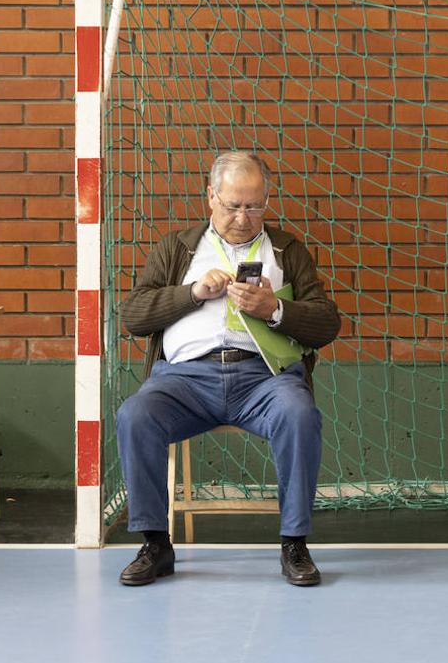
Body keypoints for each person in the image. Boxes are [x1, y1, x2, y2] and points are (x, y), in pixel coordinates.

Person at [115, 151, 341, 587]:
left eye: (254, 205)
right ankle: (155, 543)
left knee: (299, 414)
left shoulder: (286, 250)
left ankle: (294, 542)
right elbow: (134, 316)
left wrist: (275, 309)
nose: (243, 216)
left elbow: (327, 323)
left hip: (265, 381)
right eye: (233, 205)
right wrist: (192, 293)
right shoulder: (179, 248)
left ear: (267, 200)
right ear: (211, 198)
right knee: (134, 416)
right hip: (185, 381)